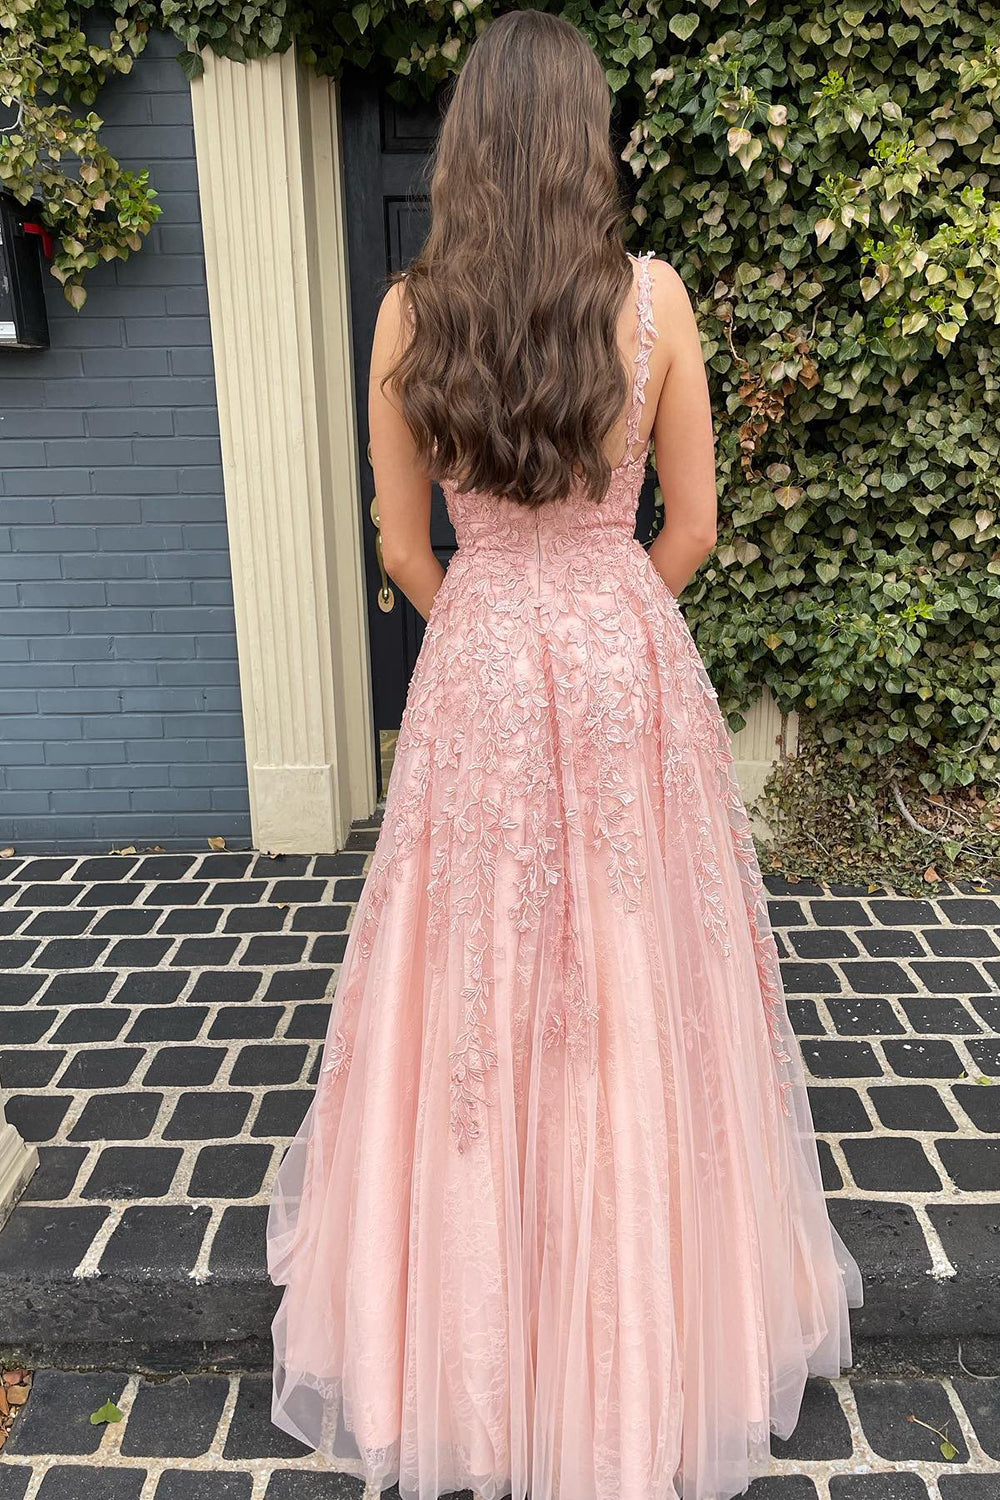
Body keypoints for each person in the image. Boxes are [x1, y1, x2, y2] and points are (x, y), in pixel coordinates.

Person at [266, 10, 864, 1500]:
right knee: (635, 967)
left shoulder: (408, 313)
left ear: (465, 140)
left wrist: (491, 622)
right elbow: (698, 528)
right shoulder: (653, 301)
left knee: (469, 978)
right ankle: (656, 1340)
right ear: (588, 140)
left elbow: (405, 546)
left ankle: (460, 1347)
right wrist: (603, 624)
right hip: (625, 677)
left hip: (475, 670)